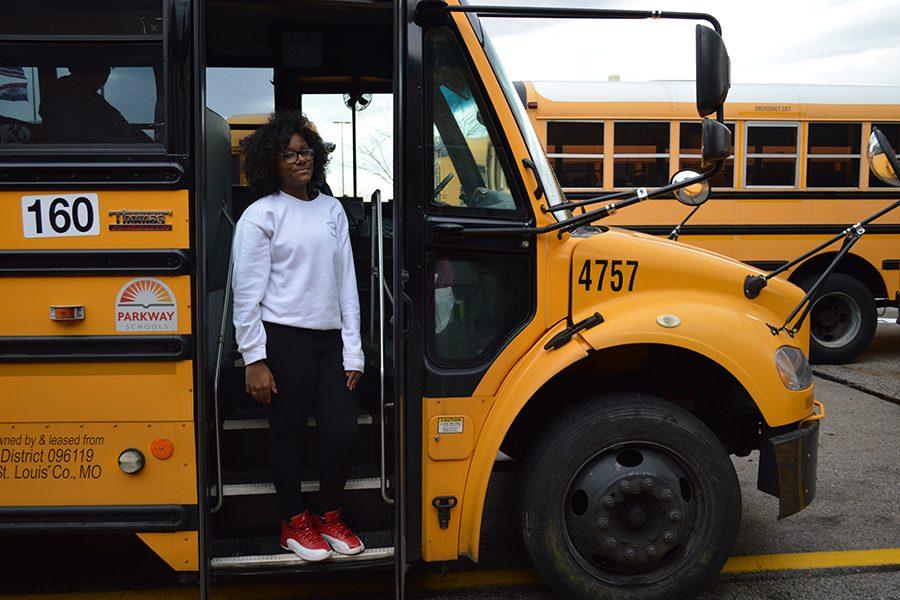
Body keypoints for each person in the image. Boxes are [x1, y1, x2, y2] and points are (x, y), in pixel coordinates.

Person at [232, 112, 365, 562]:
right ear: (272, 162)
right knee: (287, 434)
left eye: (305, 151)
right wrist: (254, 357)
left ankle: (329, 515)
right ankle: (293, 521)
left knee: (342, 432)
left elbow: (346, 281)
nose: (299, 160)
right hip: (283, 339)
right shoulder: (260, 215)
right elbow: (247, 292)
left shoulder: (331, 210)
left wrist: (354, 350)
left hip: (330, 342)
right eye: (287, 154)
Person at [40, 67, 151, 144]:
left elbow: (119, 126)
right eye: (105, 68)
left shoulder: (85, 95)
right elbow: (77, 133)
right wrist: (119, 142)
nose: (107, 73)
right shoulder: (66, 95)